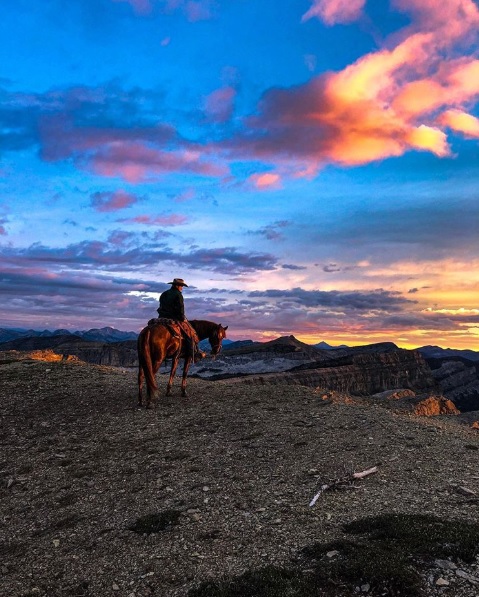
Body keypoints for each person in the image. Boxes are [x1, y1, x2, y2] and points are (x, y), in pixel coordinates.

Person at [157, 278, 206, 362]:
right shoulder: (178, 295)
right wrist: (183, 318)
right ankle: (193, 354)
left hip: (161, 317)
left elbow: (161, 305)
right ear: (177, 286)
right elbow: (180, 308)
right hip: (174, 318)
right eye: (181, 286)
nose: (182, 288)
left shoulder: (164, 294)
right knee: (190, 333)